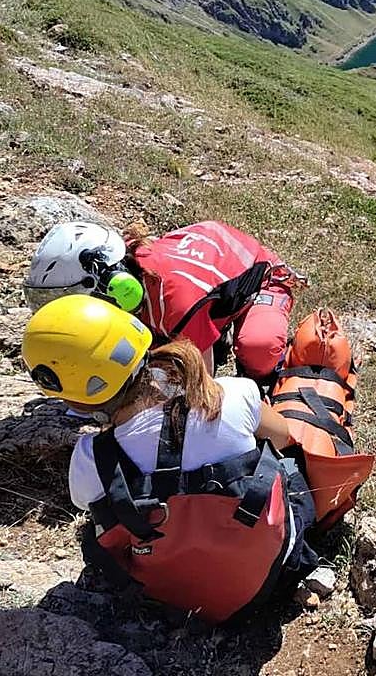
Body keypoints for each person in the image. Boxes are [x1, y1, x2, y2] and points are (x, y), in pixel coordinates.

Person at [20, 294, 317, 621]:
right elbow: (283, 435)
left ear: (75, 398)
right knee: (286, 465)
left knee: (101, 524)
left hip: (170, 597)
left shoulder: (93, 458)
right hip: (268, 578)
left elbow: (82, 504)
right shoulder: (232, 395)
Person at [23, 220, 301, 380]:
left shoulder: (175, 301)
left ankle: (274, 368)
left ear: (116, 286)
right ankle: (215, 323)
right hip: (207, 265)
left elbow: (203, 383)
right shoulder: (137, 278)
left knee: (258, 349)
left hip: (263, 276)